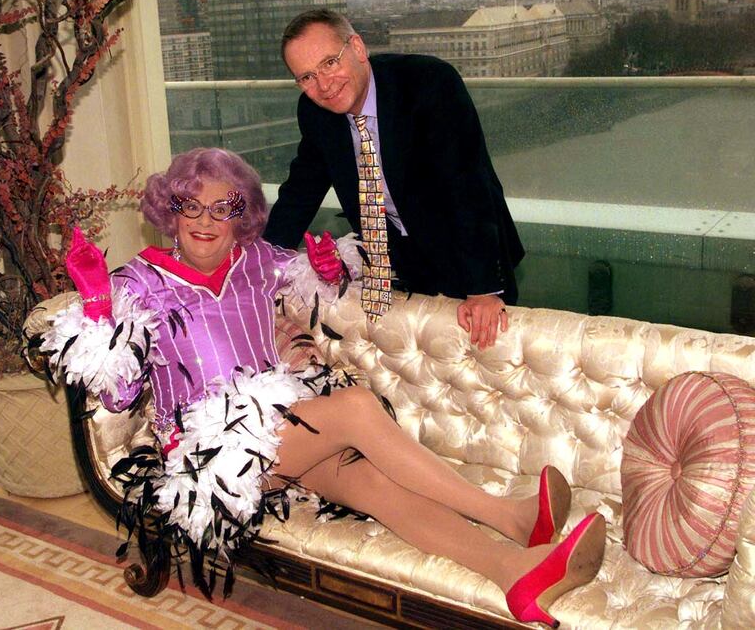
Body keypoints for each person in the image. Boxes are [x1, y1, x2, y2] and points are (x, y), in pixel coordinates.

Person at [40, 148, 603, 628]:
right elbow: (115, 397)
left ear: (244, 217)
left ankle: (515, 573)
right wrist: (97, 307)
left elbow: (314, 285)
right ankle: (507, 515)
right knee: (355, 407)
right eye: (190, 206)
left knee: (377, 486)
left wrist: (329, 269)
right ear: (170, 210)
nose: (205, 221)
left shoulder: (255, 260)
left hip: (281, 433)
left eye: (223, 208)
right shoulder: (138, 282)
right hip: (207, 462)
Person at [264, 9, 525, 348]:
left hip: (466, 254)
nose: (323, 86)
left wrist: (484, 289)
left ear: (357, 48)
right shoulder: (314, 112)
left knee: (487, 359)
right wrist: (259, 265)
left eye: (330, 63)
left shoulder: (430, 83)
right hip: (397, 265)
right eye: (306, 77)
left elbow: (468, 187)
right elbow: (300, 191)